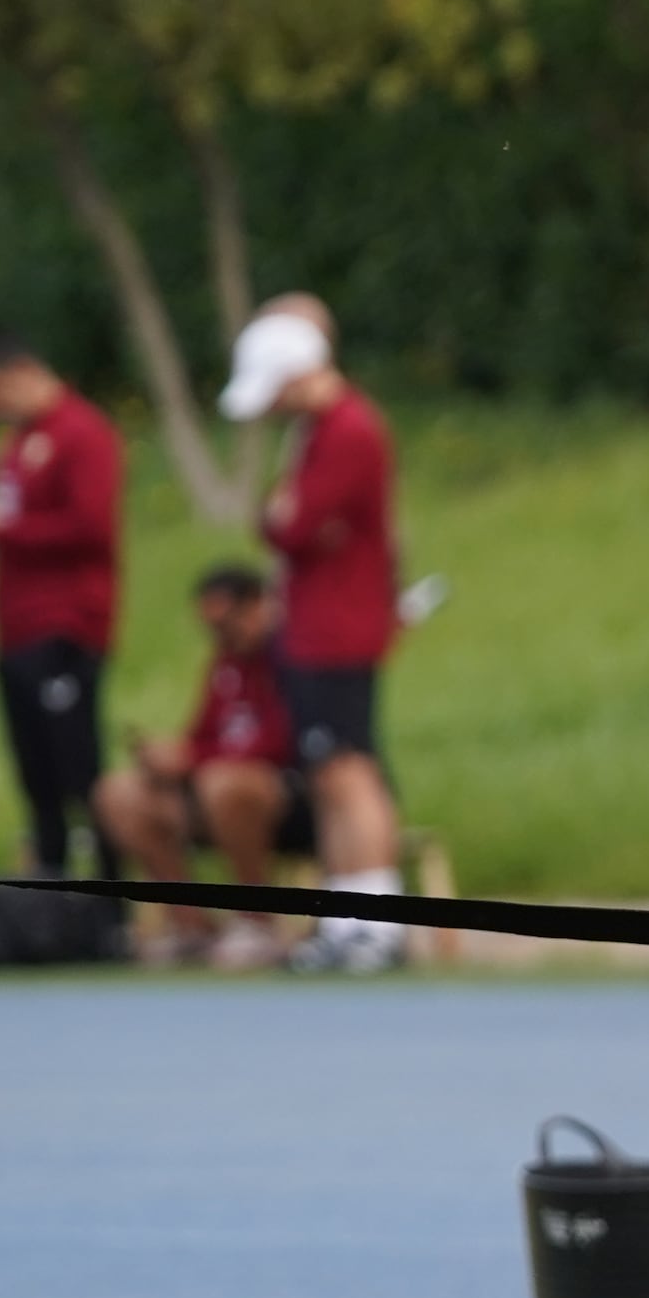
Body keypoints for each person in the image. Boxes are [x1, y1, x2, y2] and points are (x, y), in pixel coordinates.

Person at [218, 297, 410, 975]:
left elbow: (292, 526)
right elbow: (285, 520)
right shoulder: (319, 429)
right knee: (328, 774)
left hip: (337, 628)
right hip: (312, 627)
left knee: (350, 771)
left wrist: (282, 515)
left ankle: (379, 922)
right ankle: (344, 915)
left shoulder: (347, 430)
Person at [0, 330, 126, 877]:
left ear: (22, 371)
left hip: (65, 624)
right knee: (36, 771)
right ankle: (51, 889)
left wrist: (3, 527)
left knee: (78, 764)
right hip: (16, 627)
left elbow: (90, 527)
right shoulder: (15, 443)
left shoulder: (81, 432)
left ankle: (110, 900)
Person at [94, 562, 307, 964]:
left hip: (285, 794)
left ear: (259, 607)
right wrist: (169, 754)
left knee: (224, 784)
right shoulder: (225, 662)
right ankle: (190, 925)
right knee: (119, 792)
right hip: (211, 786)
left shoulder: (290, 654)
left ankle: (258, 920)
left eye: (227, 623)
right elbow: (206, 734)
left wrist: (193, 759)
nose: (219, 635)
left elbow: (282, 740)